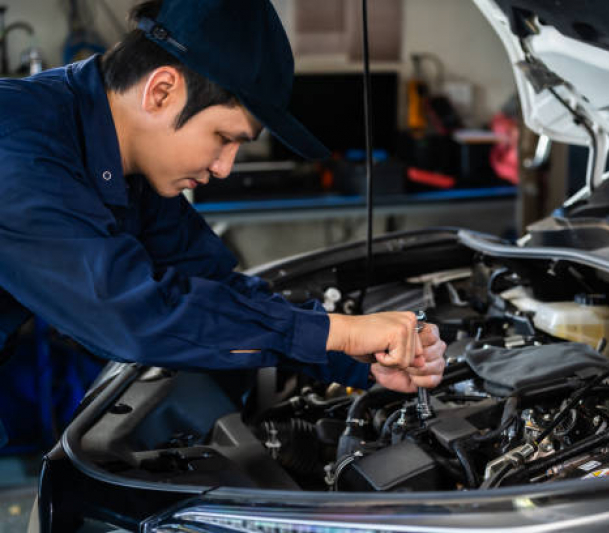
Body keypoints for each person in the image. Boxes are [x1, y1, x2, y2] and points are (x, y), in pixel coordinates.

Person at [0, 0, 446, 402]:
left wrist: (362, 358)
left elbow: (210, 283)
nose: (224, 169)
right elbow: (129, 314)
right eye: (223, 138)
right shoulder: (20, 149)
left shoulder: (133, 165)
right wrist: (341, 333)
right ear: (161, 91)